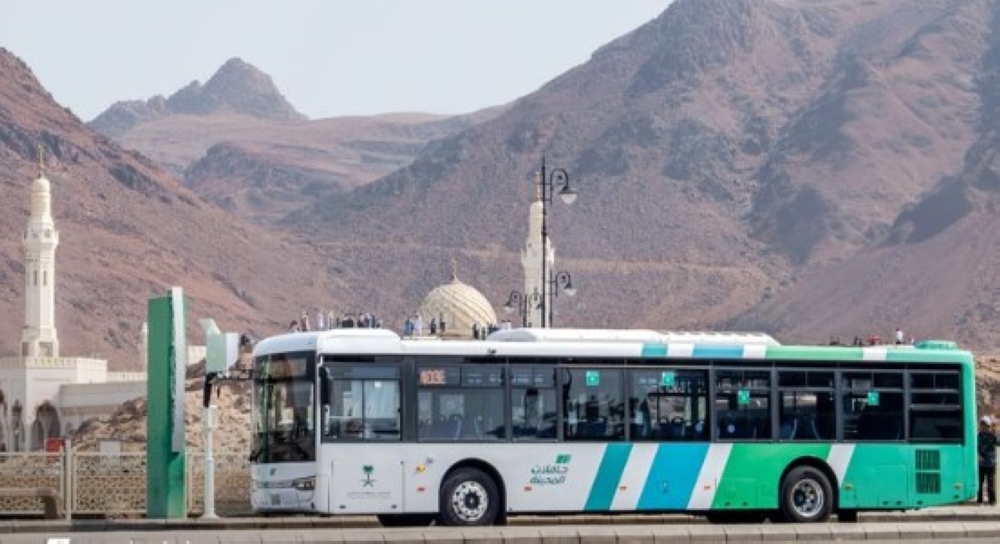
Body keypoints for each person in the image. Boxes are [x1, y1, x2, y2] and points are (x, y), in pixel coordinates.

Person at [979, 416, 998, 505]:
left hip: (990, 463)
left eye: (986, 425)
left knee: (990, 483)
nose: (984, 427)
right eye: (982, 424)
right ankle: (979, 500)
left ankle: (992, 501)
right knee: (979, 483)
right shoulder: (979, 435)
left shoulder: (992, 435)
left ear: (989, 426)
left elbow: (998, 442)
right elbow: (975, 447)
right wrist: (978, 455)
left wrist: (994, 431)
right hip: (981, 463)